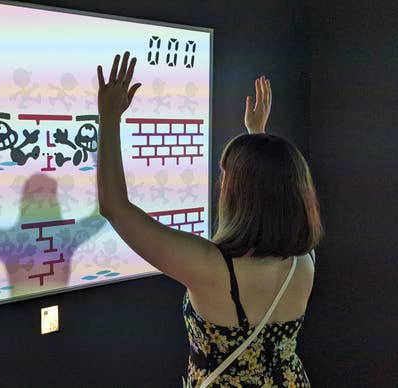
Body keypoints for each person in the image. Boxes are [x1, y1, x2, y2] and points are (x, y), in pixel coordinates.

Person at [96, 52, 323, 387]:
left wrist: (109, 118)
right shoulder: (304, 261)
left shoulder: (211, 268)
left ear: (237, 194)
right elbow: (271, 188)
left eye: (226, 176)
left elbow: (115, 207)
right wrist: (256, 136)